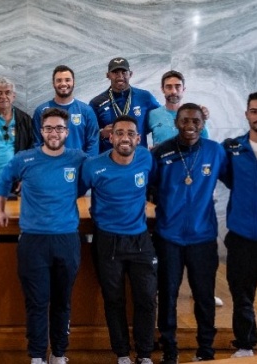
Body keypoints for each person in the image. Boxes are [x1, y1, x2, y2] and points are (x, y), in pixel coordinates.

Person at [0, 107, 86, 364]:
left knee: (62, 302)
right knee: (37, 302)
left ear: (67, 131)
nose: (53, 133)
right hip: (33, 241)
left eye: (59, 128)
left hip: (66, 239)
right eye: (48, 128)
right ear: (41, 131)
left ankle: (58, 353)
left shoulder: (78, 159)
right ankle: (37, 356)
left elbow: (89, 182)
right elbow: (4, 179)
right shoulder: (25, 159)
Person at [151, 103, 228, 363]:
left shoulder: (215, 151)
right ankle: (169, 351)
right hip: (168, 237)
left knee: (204, 297)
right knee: (168, 295)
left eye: (195, 121)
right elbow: (150, 188)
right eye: (185, 121)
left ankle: (205, 350)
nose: (190, 127)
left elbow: (235, 181)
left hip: (203, 237)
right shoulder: (161, 152)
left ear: (202, 123)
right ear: (176, 122)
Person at [80, 115, 157, 364]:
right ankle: (122, 354)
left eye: (130, 133)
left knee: (146, 298)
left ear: (137, 138)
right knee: (114, 300)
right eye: (119, 132)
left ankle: (144, 354)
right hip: (108, 241)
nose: (125, 137)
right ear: (110, 137)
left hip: (140, 239)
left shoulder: (146, 158)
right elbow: (73, 191)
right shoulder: (94, 166)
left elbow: (156, 186)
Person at [223, 92, 257, 358]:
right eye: (254, 111)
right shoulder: (233, 148)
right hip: (242, 235)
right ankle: (245, 345)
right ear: (246, 114)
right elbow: (226, 178)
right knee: (242, 295)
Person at [89, 57, 159, 152]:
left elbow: (159, 121)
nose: (120, 76)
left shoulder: (145, 97)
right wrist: (101, 134)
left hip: (138, 159)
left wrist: (160, 145)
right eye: (115, 72)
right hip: (109, 160)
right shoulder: (96, 103)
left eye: (124, 72)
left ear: (130, 74)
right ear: (108, 75)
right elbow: (88, 134)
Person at [33, 65, 98, 155]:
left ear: (74, 82)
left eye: (67, 80)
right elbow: (37, 143)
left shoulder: (86, 111)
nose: (63, 84)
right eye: (59, 80)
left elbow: (93, 143)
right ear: (53, 84)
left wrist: (87, 165)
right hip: (51, 166)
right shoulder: (41, 111)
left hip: (78, 166)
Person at [148, 70, 209, 146]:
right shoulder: (153, 115)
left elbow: (206, 144)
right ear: (163, 89)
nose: (173, 91)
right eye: (169, 87)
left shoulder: (195, 115)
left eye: (178, 87)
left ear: (183, 89)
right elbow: (138, 136)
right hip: (161, 157)